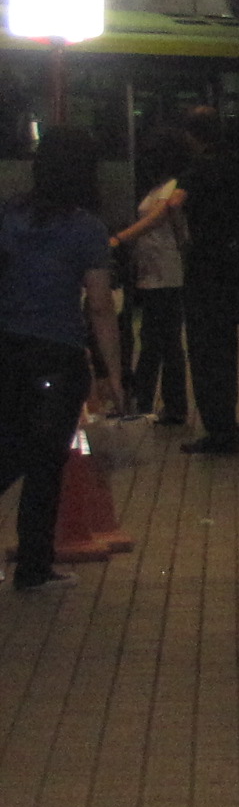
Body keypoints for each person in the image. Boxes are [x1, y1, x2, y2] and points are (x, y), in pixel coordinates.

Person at [0, 128, 124, 591]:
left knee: (10, 446)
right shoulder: (86, 227)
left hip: (7, 347)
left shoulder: (9, 215)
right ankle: (34, 567)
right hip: (57, 354)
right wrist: (113, 374)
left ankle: (34, 566)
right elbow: (99, 305)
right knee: (45, 461)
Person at [176, 108, 239, 455]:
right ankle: (229, 427)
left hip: (203, 267)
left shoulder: (196, 169)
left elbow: (174, 205)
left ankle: (217, 429)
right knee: (226, 350)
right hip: (232, 265)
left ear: (191, 136)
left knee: (203, 350)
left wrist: (184, 241)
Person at [116, 142, 190, 425]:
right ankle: (166, 403)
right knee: (163, 340)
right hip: (156, 273)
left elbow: (158, 218)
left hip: (166, 273)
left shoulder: (171, 187)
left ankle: (148, 400)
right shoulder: (161, 187)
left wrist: (121, 238)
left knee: (157, 340)